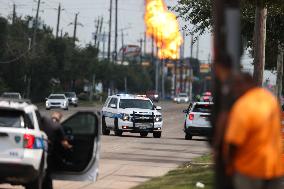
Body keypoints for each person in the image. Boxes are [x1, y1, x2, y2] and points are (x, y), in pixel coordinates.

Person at [212, 58, 284, 189]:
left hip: (250, 171)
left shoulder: (243, 106)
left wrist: (226, 165)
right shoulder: (270, 100)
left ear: (243, 85)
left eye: (236, 87)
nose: (234, 91)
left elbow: (233, 142)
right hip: (275, 169)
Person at [39, 111, 72, 189]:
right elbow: (64, 143)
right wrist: (70, 147)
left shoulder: (43, 120)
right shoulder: (58, 126)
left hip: (37, 151)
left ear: (52, 116)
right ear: (59, 119)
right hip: (48, 153)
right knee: (47, 173)